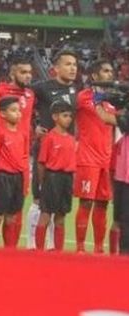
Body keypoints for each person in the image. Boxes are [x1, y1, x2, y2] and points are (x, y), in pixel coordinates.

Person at [28, 50, 79, 248]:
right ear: (55, 68)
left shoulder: (76, 91)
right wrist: (34, 128)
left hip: (65, 158)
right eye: (68, 64)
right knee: (38, 201)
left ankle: (54, 250)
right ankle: (32, 245)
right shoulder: (42, 88)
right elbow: (21, 100)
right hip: (46, 153)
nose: (73, 68)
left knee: (61, 212)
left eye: (74, 64)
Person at [74, 60, 118, 253]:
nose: (110, 74)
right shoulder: (83, 97)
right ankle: (81, 247)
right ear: (94, 75)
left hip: (107, 160)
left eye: (111, 71)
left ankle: (99, 248)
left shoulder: (112, 101)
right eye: (106, 71)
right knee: (86, 202)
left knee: (103, 204)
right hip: (88, 159)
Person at [36, 101, 77, 251]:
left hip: (67, 179)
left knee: (61, 216)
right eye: (65, 115)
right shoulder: (49, 137)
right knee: (46, 214)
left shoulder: (72, 139)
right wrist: (42, 183)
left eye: (70, 116)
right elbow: (41, 163)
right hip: (52, 178)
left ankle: (58, 251)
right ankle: (39, 250)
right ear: (55, 117)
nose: (68, 119)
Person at [0, 97, 28, 248]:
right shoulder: (0, 133)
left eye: (19, 110)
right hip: (2, 177)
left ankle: (9, 250)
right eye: (13, 110)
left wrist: (24, 181)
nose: (18, 114)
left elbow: (23, 158)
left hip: (17, 178)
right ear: (3, 114)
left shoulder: (23, 134)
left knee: (12, 217)